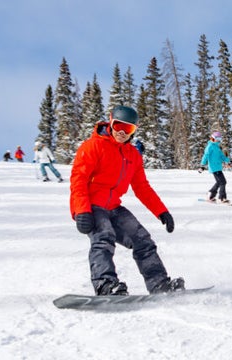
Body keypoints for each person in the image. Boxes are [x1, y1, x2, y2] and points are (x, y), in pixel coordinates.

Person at [69, 105, 184, 296]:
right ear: (110, 122)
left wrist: (161, 211)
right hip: (92, 206)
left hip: (114, 207)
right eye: (118, 126)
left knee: (143, 241)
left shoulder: (132, 155)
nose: (122, 132)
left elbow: (142, 188)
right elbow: (78, 180)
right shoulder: (93, 146)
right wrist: (81, 210)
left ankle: (159, 285)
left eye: (128, 129)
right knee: (103, 238)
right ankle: (106, 285)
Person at [199, 131, 231, 203]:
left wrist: (228, 161)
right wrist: (202, 165)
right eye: (217, 139)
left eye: (219, 139)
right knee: (223, 182)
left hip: (218, 167)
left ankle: (211, 195)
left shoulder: (217, 147)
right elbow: (206, 156)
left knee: (219, 182)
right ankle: (222, 198)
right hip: (213, 167)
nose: (218, 140)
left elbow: (222, 156)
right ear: (213, 138)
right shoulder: (210, 146)